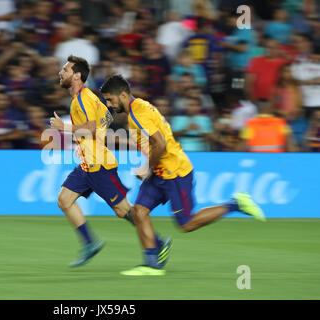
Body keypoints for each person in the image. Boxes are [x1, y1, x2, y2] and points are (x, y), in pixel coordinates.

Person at [100, 75, 265, 276]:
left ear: (123, 95)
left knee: (186, 224)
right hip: (160, 171)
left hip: (174, 171)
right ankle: (151, 264)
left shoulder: (138, 114)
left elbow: (160, 144)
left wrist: (146, 168)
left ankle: (236, 204)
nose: (109, 104)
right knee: (139, 211)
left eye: (110, 99)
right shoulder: (139, 107)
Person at [49, 55, 171, 267]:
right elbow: (106, 116)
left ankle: (158, 241)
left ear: (77, 76)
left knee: (124, 210)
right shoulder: (87, 98)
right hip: (87, 164)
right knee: (64, 199)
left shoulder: (83, 98)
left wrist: (65, 128)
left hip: (99, 165)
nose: (61, 72)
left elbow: (93, 126)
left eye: (65, 70)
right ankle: (90, 243)